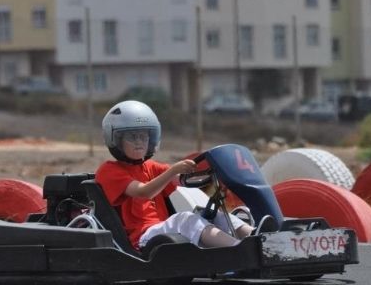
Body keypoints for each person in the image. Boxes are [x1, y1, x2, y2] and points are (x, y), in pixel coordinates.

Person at [96, 100, 276, 251]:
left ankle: (257, 237)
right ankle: (239, 249)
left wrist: (215, 180)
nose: (140, 142)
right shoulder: (110, 170)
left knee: (214, 214)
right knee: (185, 219)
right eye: (132, 137)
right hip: (142, 238)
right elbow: (143, 192)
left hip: (162, 229)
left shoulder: (151, 167)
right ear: (116, 140)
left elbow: (183, 181)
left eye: (144, 137)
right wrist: (174, 170)